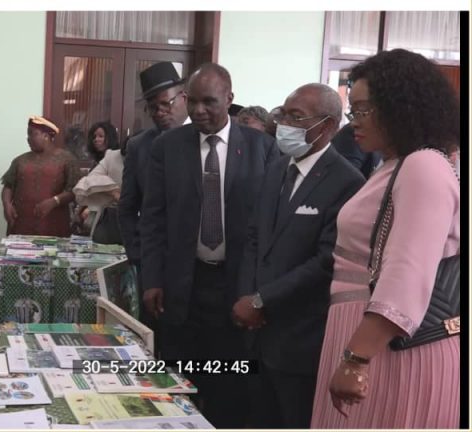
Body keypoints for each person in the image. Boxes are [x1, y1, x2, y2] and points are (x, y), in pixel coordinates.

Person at [311, 49, 460, 428]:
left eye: (363, 110)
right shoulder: (394, 164)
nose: (354, 122)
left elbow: (407, 271)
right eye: (353, 110)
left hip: (391, 346)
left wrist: (357, 358)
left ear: (400, 107)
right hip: (368, 335)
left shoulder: (423, 166)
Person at [139, 62, 278, 427]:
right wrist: (151, 278)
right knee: (179, 380)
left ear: (229, 99)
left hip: (237, 286)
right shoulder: (168, 147)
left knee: (229, 385)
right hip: (182, 285)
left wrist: (259, 291)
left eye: (209, 102)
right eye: (193, 101)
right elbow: (152, 219)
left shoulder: (262, 148)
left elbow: (270, 226)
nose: (199, 110)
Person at [233, 83, 365, 428]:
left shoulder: (347, 181)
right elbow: (254, 238)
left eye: (296, 117)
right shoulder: (277, 168)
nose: (284, 125)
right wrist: (246, 297)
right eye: (283, 114)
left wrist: (262, 300)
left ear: (327, 126)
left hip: (299, 337)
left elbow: (325, 261)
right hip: (255, 332)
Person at [118, 61, 189, 280]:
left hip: (200, 262)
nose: (160, 113)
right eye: (153, 108)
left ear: (184, 97)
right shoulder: (138, 146)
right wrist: (136, 253)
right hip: (153, 261)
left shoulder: (205, 139)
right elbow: (127, 207)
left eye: (166, 104)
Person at [1, 116, 79, 237]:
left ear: (46, 136)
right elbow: (8, 186)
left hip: (54, 225)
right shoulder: (20, 161)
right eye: (28, 134)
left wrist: (54, 201)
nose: (28, 138)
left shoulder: (67, 159)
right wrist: (6, 204)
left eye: (32, 134)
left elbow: (75, 190)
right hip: (21, 225)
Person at [73, 121, 124, 244]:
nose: (96, 140)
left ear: (110, 138)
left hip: (113, 215)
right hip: (95, 213)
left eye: (101, 136)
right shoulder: (96, 161)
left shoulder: (116, 158)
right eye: (94, 137)